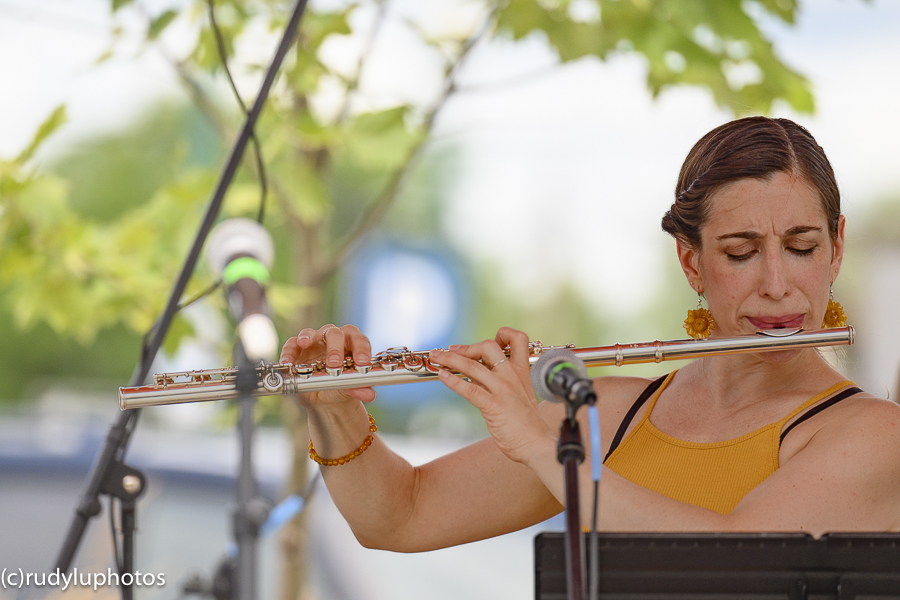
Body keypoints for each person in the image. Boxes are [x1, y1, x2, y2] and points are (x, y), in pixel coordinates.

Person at [279, 116, 900, 551]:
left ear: (837, 247)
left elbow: (737, 557)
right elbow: (400, 516)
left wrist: (540, 445)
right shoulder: (603, 413)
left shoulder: (873, 433)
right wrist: (336, 414)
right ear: (691, 262)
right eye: (740, 252)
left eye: (801, 247)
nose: (776, 284)